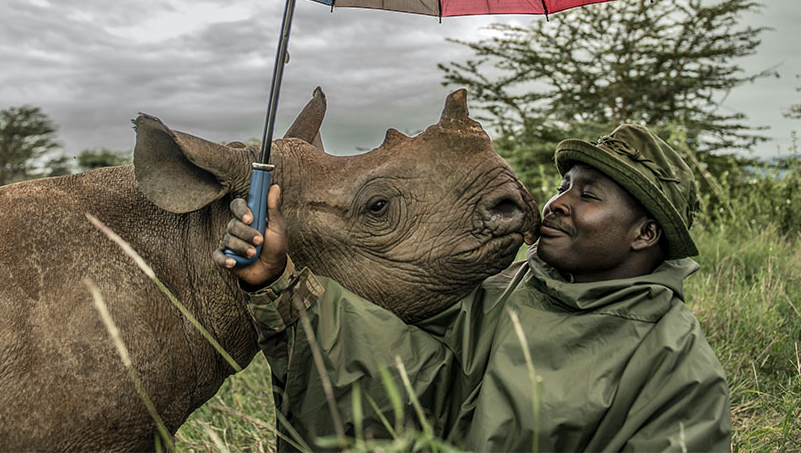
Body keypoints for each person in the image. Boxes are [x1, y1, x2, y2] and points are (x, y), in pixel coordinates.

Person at [213, 125, 731, 452]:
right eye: (562, 187)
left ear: (644, 234)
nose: (556, 203)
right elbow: (413, 378)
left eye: (588, 195)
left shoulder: (675, 364)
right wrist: (281, 281)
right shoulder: (508, 287)